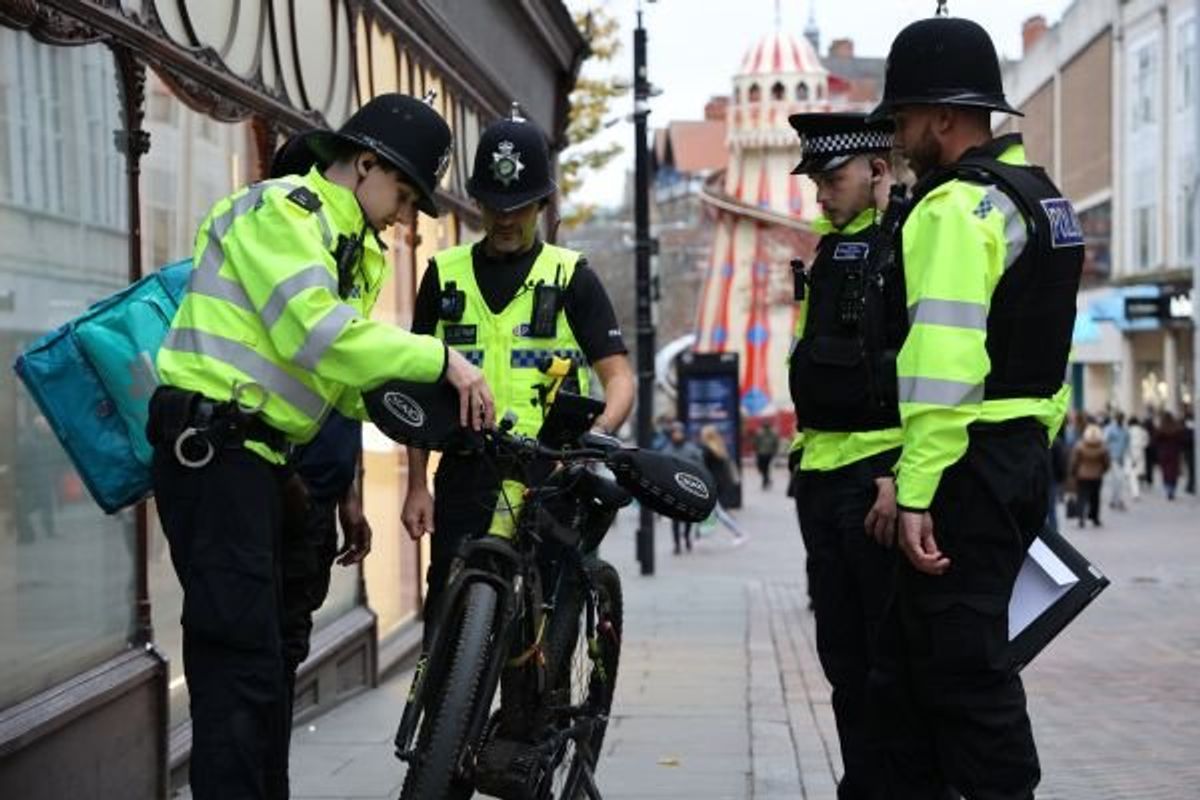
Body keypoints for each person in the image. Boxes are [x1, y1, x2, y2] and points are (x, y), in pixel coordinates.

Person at [148, 93, 494, 800]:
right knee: (238, 664)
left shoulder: (348, 248)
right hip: (214, 449)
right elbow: (317, 333)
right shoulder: (280, 211)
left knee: (268, 666)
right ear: (364, 164)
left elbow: (335, 382)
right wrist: (441, 360)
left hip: (264, 462)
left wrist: (350, 491)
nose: (404, 215)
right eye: (403, 192)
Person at [867, 14, 1084, 799]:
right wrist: (1031, 442)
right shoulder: (1043, 200)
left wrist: (918, 487)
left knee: (966, 675)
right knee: (919, 669)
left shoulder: (953, 209)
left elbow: (943, 365)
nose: (896, 133)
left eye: (904, 117)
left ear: (945, 116)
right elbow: (1046, 353)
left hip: (966, 465)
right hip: (1017, 453)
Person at [402, 107, 635, 643]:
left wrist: (593, 440)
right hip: (466, 468)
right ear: (477, 201)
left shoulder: (571, 276)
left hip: (547, 474)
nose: (505, 219)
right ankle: (448, 720)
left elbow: (618, 377)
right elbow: (416, 383)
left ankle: (536, 717)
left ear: (542, 204)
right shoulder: (443, 274)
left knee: (539, 624)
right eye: (493, 205)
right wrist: (416, 484)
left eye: (520, 207)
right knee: (447, 625)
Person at [785, 110, 906, 800]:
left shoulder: (903, 244)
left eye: (833, 180)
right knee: (844, 656)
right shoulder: (831, 251)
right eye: (817, 183)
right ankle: (861, 784)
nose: (821, 195)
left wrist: (897, 475)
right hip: (824, 475)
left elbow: (915, 370)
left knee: (889, 659)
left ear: (877, 172)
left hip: (874, 476)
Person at [698, 424, 749, 544]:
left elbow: (703, 468)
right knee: (708, 510)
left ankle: (739, 533)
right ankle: (699, 536)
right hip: (720, 483)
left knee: (718, 512)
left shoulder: (707, 450)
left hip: (711, 484)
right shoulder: (718, 447)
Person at [660, 421, 704, 553]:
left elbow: (700, 467)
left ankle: (686, 536)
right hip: (674, 489)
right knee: (675, 517)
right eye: (675, 432)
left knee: (688, 516)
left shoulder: (692, 449)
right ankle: (677, 544)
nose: (677, 435)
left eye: (679, 432)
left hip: (689, 487)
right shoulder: (666, 450)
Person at [1070, 423, 1110, 528]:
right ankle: (1095, 518)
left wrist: (1073, 471)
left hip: (1082, 475)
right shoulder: (1102, 447)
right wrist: (1103, 470)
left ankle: (1081, 518)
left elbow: (1075, 461)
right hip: (1097, 476)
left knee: (1082, 497)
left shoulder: (1080, 445)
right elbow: (1106, 462)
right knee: (1095, 497)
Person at [1155, 411, 1187, 500]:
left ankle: (1168, 489)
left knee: (1165, 472)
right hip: (1174, 453)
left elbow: (1156, 440)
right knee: (1173, 472)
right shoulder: (1176, 428)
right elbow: (1182, 441)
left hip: (1164, 453)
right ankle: (1172, 490)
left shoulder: (1161, 428)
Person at [1102, 412, 1129, 511]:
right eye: (1119, 418)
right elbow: (1104, 441)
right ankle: (1119, 500)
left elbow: (1127, 442)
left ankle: (1114, 500)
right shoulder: (1110, 429)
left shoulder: (1125, 430)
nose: (1121, 420)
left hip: (1121, 458)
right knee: (1118, 479)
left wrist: (1127, 454)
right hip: (1112, 457)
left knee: (1118, 480)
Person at [752, 420, 781, 489]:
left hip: (767, 453)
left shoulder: (772, 434)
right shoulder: (760, 433)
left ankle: (765, 480)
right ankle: (767, 479)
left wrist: (775, 451)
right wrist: (756, 450)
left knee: (765, 467)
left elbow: (776, 443)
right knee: (762, 467)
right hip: (762, 453)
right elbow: (755, 442)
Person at [1126, 415, 1148, 501]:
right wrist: (1142, 447)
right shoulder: (1143, 431)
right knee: (1138, 471)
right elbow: (1146, 442)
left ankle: (1135, 492)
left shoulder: (1128, 431)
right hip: (1140, 452)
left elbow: (1126, 442)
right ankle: (1137, 487)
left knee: (1132, 473)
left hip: (1131, 453)